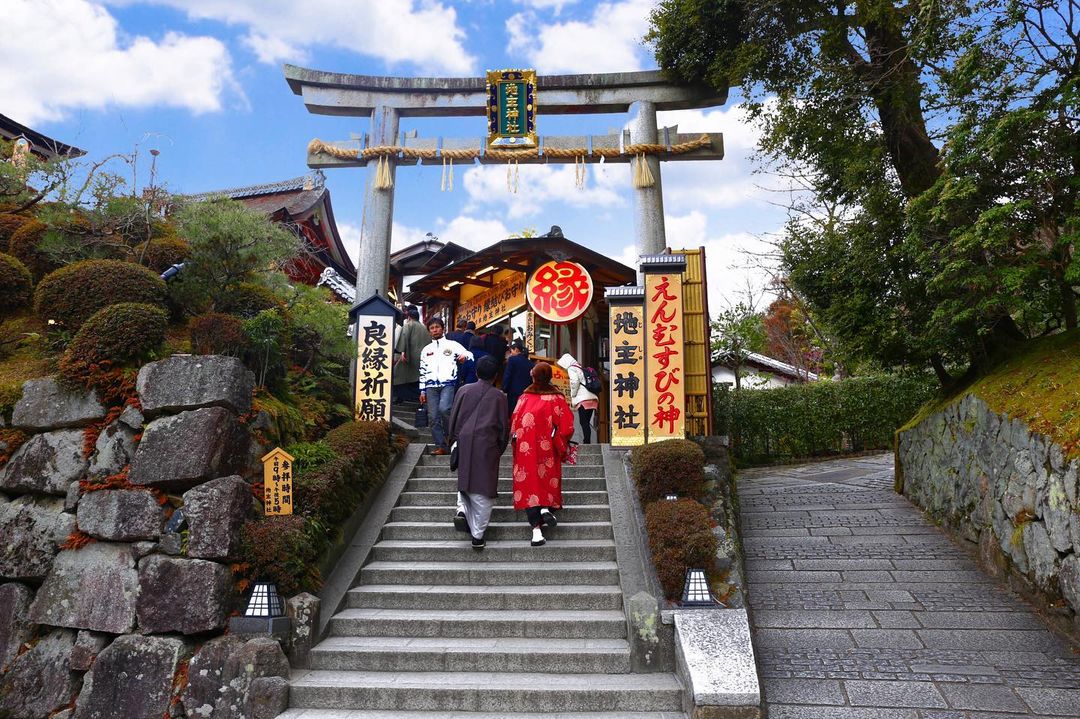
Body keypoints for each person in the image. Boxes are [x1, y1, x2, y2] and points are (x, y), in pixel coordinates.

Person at [447, 356, 509, 550]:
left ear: (476, 372)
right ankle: (477, 535)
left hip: (464, 441)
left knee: (465, 481)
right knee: (484, 489)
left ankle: (462, 510)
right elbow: (503, 428)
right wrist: (500, 448)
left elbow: (454, 417)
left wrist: (453, 441)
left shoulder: (463, 391)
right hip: (487, 444)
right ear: (496, 375)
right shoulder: (500, 397)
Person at [511, 362, 574, 547]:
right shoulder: (557, 398)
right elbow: (567, 426)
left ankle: (536, 531)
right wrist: (561, 444)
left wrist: (516, 441)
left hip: (526, 449)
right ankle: (547, 508)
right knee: (547, 478)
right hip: (548, 448)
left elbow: (514, 423)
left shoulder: (524, 398)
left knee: (529, 484)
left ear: (533, 376)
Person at [419, 317, 472, 455]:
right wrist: (422, 391)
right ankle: (441, 445)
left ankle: (452, 439)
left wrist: (464, 357)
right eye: (432, 328)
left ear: (443, 328)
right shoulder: (426, 349)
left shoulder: (452, 344)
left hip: (448, 384)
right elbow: (422, 371)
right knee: (433, 416)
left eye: (437, 327)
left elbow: (469, 354)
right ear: (429, 331)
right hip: (430, 386)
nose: (435, 330)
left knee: (444, 409)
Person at [558, 353, 600, 444]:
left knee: (583, 422)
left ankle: (587, 443)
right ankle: (587, 442)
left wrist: (573, 395)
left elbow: (575, 381)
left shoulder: (572, 368)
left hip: (583, 399)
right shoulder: (581, 368)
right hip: (592, 398)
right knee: (586, 422)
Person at [392, 306, 426, 403]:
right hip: (421, 358)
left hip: (409, 357)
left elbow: (404, 338)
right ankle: (416, 397)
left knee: (397, 376)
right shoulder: (423, 327)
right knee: (416, 378)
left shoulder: (408, 325)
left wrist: (402, 352)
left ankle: (400, 398)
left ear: (409, 317)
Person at [502, 340, 533, 414]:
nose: (511, 353)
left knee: (513, 413)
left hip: (513, 393)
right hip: (526, 393)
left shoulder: (512, 360)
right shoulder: (531, 364)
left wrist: (504, 388)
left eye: (511, 351)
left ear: (516, 349)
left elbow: (507, 375)